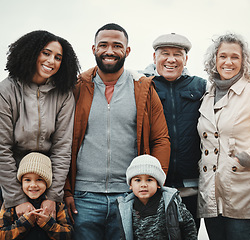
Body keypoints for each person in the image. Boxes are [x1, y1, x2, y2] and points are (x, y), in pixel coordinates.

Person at [142, 33, 250, 231]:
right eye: (164, 53)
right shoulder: (142, 85)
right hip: (155, 187)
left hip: (194, 190)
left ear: (186, 59)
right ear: (154, 58)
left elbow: (234, 103)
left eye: (177, 54)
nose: (171, 59)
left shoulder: (201, 86)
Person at [64, 23, 170, 240]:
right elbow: (62, 141)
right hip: (83, 196)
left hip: (128, 196)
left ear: (127, 51)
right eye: (103, 45)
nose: (109, 51)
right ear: (93, 49)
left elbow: (161, 139)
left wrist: (155, 184)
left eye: (117, 46)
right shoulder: (77, 87)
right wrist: (65, 191)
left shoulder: (143, 88)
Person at [0, 30, 80, 240]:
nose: (51, 61)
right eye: (46, 53)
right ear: (31, 53)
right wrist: (16, 198)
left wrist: (53, 196)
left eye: (58, 57)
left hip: (47, 183)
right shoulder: (4, 91)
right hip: (2, 183)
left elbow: (63, 148)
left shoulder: (64, 95)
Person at [197, 33, 250, 240]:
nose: (228, 62)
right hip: (211, 196)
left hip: (245, 192)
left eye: (235, 57)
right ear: (214, 60)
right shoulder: (206, 96)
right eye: (222, 56)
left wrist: (244, 158)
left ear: (244, 61)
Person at [0, 152, 73, 239]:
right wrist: (25, 223)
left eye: (39, 179)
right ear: (21, 182)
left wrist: (48, 224)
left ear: (47, 182)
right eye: (27, 180)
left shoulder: (57, 204)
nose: (33, 185)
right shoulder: (11, 204)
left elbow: (68, 235)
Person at [117, 154, 197, 240]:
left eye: (149, 180)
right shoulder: (125, 208)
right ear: (130, 185)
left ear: (158, 184)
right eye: (138, 180)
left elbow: (188, 226)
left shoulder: (170, 202)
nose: (143, 185)